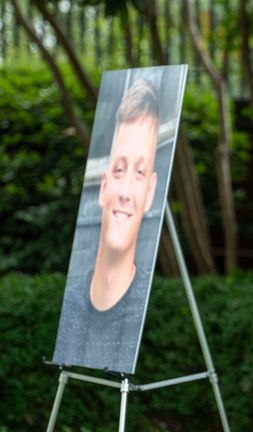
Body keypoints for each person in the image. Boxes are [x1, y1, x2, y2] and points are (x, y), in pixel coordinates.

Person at [53, 78, 160, 374]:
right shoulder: (73, 303)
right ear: (103, 186)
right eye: (119, 169)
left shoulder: (142, 309)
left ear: (150, 192)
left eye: (139, 172)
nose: (125, 192)